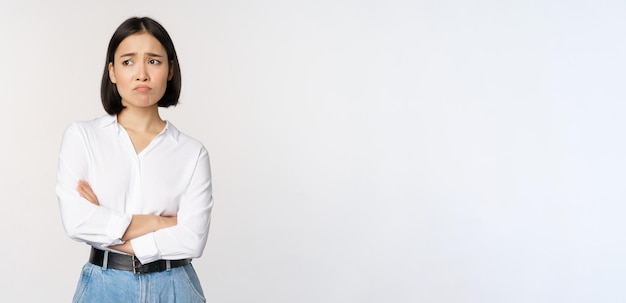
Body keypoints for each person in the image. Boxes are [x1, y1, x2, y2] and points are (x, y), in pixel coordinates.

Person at [56, 16, 213, 303]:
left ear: (170, 70)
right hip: (103, 287)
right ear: (112, 72)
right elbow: (77, 222)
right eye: (128, 62)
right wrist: (161, 222)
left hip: (175, 287)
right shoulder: (83, 137)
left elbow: (192, 239)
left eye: (153, 61)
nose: (141, 73)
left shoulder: (192, 152)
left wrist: (106, 225)